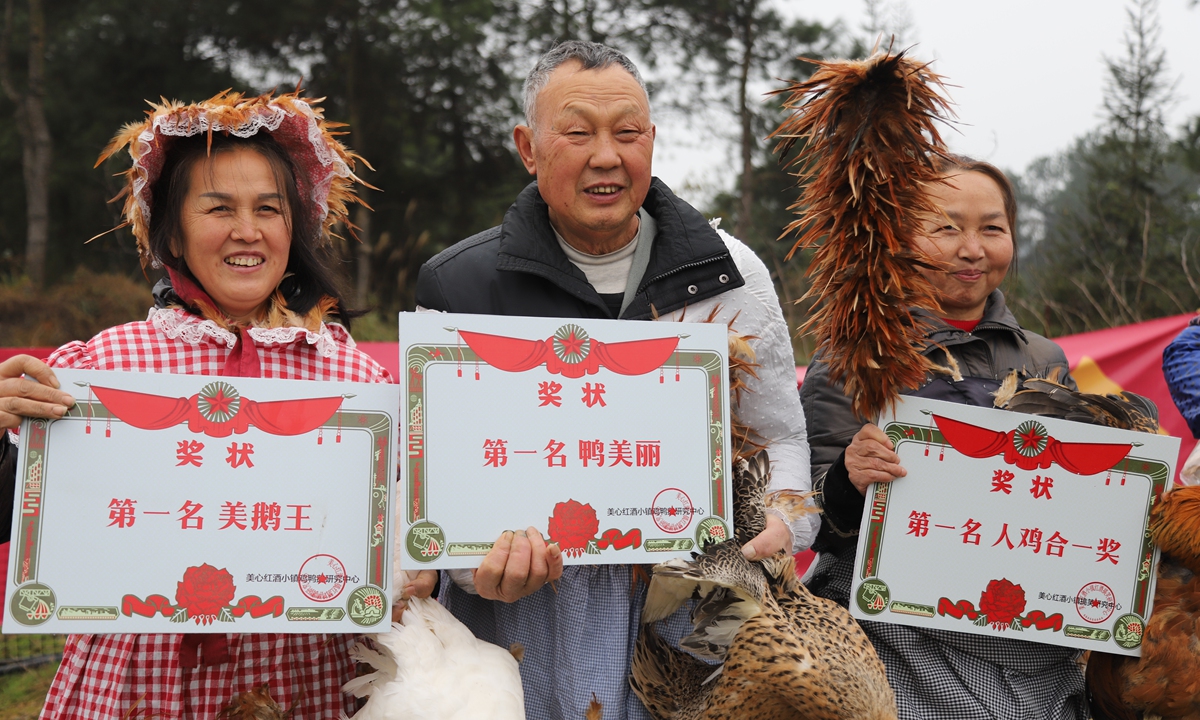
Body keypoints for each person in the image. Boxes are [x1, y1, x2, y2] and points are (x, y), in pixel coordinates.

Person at [0, 90, 436, 718]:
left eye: (269, 208)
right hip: (139, 682)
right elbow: (14, 512)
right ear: (172, 232)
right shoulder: (101, 368)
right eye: (218, 208)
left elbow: (406, 524)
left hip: (306, 677)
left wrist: (416, 567)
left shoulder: (355, 378)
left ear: (295, 227)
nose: (247, 230)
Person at [415, 40, 814, 720]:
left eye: (627, 133)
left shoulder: (730, 275)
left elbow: (781, 436)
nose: (607, 156)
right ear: (527, 148)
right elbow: (429, 480)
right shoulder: (460, 286)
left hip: (689, 616)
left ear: (651, 140)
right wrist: (471, 566)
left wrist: (782, 519)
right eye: (577, 133)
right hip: (524, 628)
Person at [801, 155, 1086, 720]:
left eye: (992, 228)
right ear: (898, 237)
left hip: (1022, 622)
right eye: (946, 228)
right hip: (894, 630)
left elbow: (1071, 500)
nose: (972, 249)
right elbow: (811, 514)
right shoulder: (853, 356)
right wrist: (849, 479)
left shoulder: (1043, 358)